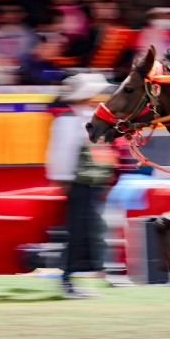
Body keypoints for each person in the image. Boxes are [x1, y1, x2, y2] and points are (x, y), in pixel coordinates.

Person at [45, 73, 117, 298]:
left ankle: (98, 271)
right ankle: (68, 279)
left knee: (97, 230)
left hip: (94, 183)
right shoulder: (67, 119)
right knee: (78, 232)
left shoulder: (89, 116)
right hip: (79, 183)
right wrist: (65, 179)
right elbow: (62, 154)